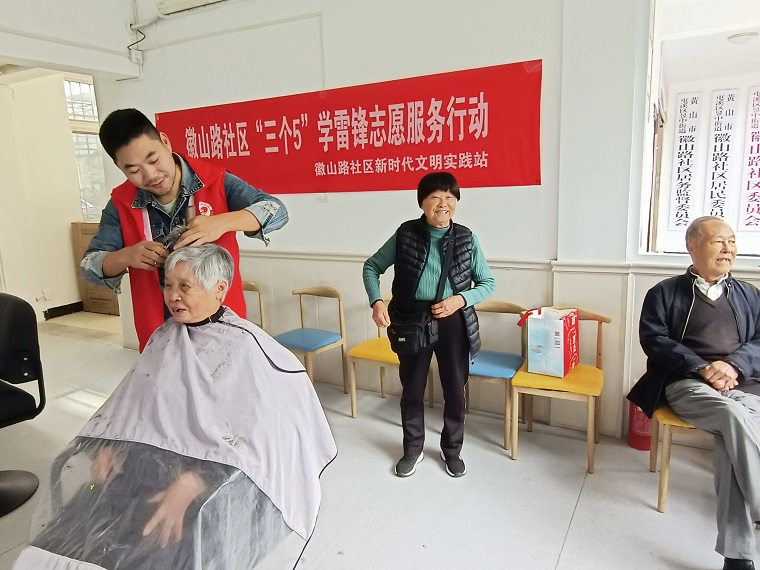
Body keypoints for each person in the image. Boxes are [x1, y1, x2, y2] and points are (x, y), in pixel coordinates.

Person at [14, 244, 337, 570]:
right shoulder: (164, 337)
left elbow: (258, 435)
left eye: (185, 286)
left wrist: (193, 481)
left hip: (212, 468)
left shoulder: (248, 348)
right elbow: (136, 401)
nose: (173, 296)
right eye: (168, 285)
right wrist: (109, 445)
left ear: (219, 289)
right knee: (86, 523)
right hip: (145, 459)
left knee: (161, 540)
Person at [82, 108, 289, 351]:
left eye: (154, 160)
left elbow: (276, 210)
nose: (151, 175)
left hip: (220, 330)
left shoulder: (215, 181)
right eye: (134, 170)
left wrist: (221, 223)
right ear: (120, 168)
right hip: (160, 335)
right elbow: (89, 267)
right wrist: (127, 256)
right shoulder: (121, 203)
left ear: (165, 142)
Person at [627, 216, 760, 570]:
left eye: (732, 241)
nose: (728, 249)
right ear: (692, 246)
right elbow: (654, 340)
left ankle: (737, 557)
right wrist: (702, 367)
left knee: (732, 439)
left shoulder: (750, 294)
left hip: (742, 382)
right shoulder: (664, 292)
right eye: (718, 241)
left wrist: (732, 365)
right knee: (733, 418)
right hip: (687, 383)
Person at [362, 172, 495, 478]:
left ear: (456, 202)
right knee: (412, 388)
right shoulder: (405, 234)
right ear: (422, 202)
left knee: (455, 390)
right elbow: (372, 267)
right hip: (412, 320)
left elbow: (487, 283)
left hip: (453, 321)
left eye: (450, 197)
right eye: (435, 197)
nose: (443, 203)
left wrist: (459, 300)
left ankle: (452, 450)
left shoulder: (467, 238)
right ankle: (412, 448)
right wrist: (376, 302)